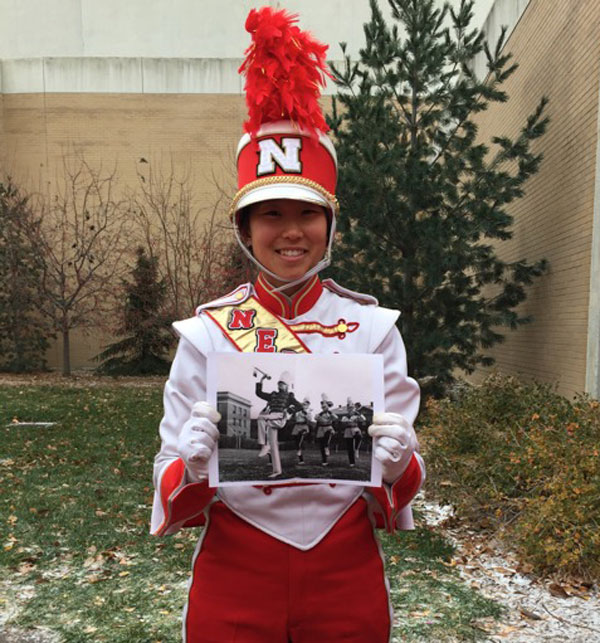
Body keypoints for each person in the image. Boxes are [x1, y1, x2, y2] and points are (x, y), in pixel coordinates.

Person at [151, 7, 424, 642]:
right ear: (245, 230)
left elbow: (402, 494)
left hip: (344, 569)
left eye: (307, 212)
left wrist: (397, 461)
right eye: (270, 213)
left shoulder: (373, 328)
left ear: (330, 223)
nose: (291, 231)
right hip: (235, 570)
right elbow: (168, 479)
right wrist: (190, 467)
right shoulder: (207, 333)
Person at [255, 370, 303, 477]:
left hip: (280, 418)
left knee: (261, 418)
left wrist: (290, 411)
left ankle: (264, 445)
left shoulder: (289, 396)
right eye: (279, 383)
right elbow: (259, 393)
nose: (280, 385)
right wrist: (261, 379)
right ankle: (277, 471)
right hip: (272, 419)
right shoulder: (273, 395)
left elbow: (300, 406)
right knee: (274, 445)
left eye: (283, 384)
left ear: (287, 386)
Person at [341, 398, 367, 467]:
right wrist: (349, 419)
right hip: (348, 431)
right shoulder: (345, 416)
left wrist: (358, 414)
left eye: (352, 408)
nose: (351, 410)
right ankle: (351, 462)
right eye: (349, 408)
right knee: (350, 447)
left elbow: (364, 419)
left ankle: (357, 449)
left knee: (359, 436)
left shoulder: (356, 415)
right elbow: (343, 421)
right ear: (347, 409)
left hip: (355, 429)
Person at [315, 394, 337, 465]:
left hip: (328, 427)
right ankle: (324, 461)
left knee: (326, 440)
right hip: (321, 428)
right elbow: (316, 418)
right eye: (323, 406)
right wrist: (321, 413)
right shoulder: (320, 414)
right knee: (321, 445)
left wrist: (329, 412)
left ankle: (327, 446)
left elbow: (335, 418)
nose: (323, 407)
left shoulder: (330, 413)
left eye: (325, 406)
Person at [291, 397, 313, 464]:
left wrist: (305, 414)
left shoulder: (307, 412)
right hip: (297, 426)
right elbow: (293, 417)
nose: (304, 405)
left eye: (306, 404)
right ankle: (301, 460)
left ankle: (300, 450)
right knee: (296, 442)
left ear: (308, 405)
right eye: (303, 404)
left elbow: (310, 419)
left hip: (303, 427)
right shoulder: (298, 411)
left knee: (300, 440)